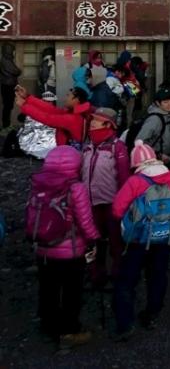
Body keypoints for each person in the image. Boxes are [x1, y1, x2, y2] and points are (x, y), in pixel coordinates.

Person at [27, 145, 99, 349]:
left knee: (47, 288)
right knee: (71, 292)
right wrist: (93, 239)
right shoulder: (76, 188)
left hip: (43, 246)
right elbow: (85, 221)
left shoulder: (37, 183)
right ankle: (69, 331)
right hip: (70, 251)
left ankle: (48, 325)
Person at [110, 143, 170, 339]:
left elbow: (117, 210)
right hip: (164, 236)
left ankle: (125, 324)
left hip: (138, 239)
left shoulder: (135, 181)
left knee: (126, 280)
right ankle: (152, 314)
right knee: (158, 275)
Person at [81, 107, 129, 288]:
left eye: (97, 120)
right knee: (92, 241)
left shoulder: (117, 147)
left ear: (109, 124)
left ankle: (116, 275)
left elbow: (124, 178)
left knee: (115, 241)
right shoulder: (88, 146)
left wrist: (123, 203)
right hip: (89, 203)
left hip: (111, 203)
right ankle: (95, 275)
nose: (92, 123)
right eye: (92, 119)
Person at [16, 85, 91, 147]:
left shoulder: (73, 118)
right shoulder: (75, 114)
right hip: (68, 152)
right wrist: (28, 97)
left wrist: (24, 105)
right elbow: (51, 109)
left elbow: (47, 118)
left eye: (68, 96)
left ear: (77, 99)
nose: (65, 99)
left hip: (68, 154)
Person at [134, 86, 170, 165]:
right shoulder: (155, 119)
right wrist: (158, 155)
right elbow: (139, 141)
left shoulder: (168, 115)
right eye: (165, 102)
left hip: (167, 159)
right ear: (158, 103)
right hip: (155, 160)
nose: (169, 104)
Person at [0, 42, 22, 129]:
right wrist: (18, 71)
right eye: (13, 50)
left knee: (8, 106)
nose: (14, 52)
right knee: (7, 106)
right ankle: (6, 125)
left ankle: (7, 125)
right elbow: (16, 71)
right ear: (8, 51)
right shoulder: (5, 60)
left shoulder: (7, 60)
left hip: (8, 84)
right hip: (7, 85)